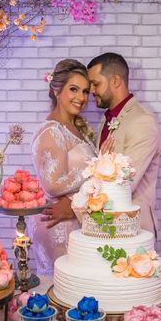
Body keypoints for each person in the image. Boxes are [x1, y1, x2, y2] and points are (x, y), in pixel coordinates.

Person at [41, 53, 161, 235]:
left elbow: (125, 183)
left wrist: (73, 203)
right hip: (102, 227)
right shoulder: (105, 121)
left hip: (132, 228)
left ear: (115, 81)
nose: (91, 92)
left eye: (95, 85)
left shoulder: (141, 121)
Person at [28, 59, 96, 275]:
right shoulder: (51, 131)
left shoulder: (78, 130)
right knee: (59, 292)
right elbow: (53, 184)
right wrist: (97, 172)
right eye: (73, 89)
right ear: (56, 90)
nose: (81, 98)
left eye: (85, 92)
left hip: (73, 219)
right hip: (56, 224)